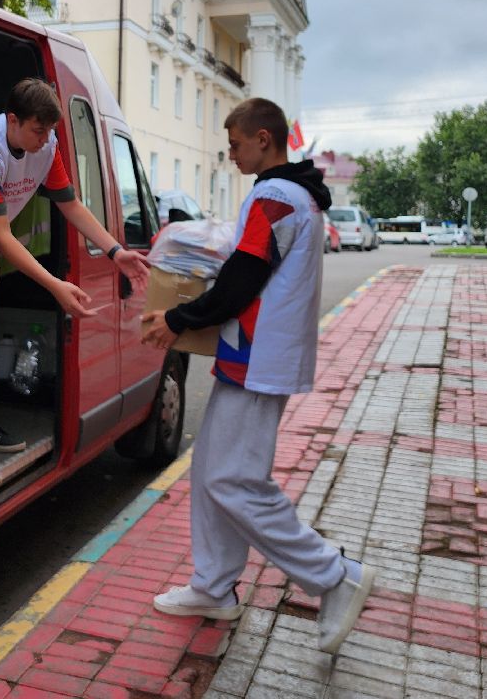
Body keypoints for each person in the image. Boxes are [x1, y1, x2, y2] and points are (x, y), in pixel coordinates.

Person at [141, 97, 376, 655]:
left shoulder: (274, 196)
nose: (231, 154)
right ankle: (214, 587)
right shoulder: (294, 196)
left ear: (263, 140)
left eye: (236, 144)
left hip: (258, 355)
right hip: (251, 354)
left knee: (236, 481)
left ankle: (333, 575)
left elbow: (242, 281)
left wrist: (176, 320)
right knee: (210, 472)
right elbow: (246, 273)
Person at [0, 78, 150, 484]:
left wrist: (116, 251)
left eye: (49, 131)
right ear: (12, 120)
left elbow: (71, 205)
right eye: (37, 130)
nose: (45, 139)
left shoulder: (45, 146)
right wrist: (55, 286)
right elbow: (1, 235)